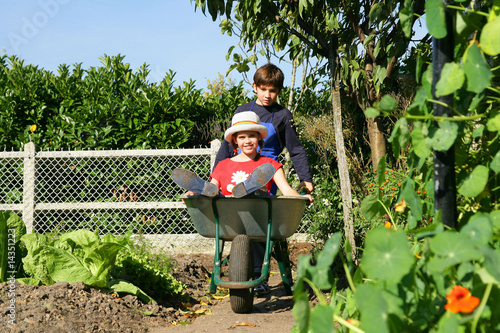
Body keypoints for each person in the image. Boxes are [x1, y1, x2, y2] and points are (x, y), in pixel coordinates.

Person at [214, 63, 314, 195]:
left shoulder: (283, 115)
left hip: (268, 172)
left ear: (279, 90)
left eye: (272, 91)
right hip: (240, 169)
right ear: (254, 87)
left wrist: (305, 178)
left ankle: (256, 190)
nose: (267, 95)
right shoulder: (242, 111)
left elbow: (295, 149)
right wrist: (215, 180)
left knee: (261, 199)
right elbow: (227, 147)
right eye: (263, 89)